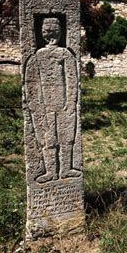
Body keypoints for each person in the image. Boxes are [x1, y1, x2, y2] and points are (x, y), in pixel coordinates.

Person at [24, 17, 81, 183]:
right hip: (44, 107)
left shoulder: (65, 54)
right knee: (48, 139)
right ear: (41, 34)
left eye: (55, 32)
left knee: (67, 137)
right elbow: (31, 83)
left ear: (61, 32)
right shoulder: (37, 56)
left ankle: (66, 169)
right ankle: (50, 172)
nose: (51, 36)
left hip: (64, 105)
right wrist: (35, 106)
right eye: (47, 32)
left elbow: (72, 80)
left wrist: (71, 103)